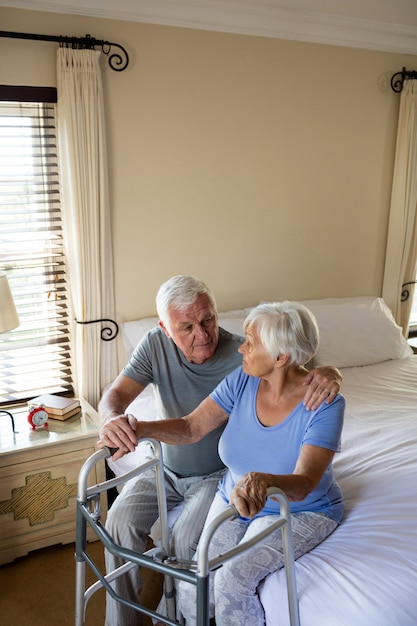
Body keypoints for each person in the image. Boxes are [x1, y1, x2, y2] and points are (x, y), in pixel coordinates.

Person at [98, 276, 342, 626]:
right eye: (187, 327)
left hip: (245, 488)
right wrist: (128, 427)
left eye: (208, 320)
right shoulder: (241, 374)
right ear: (166, 329)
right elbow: (190, 426)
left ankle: (183, 616)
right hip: (196, 477)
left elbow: (303, 479)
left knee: (211, 563)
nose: (204, 334)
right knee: (127, 526)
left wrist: (331, 372)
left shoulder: (281, 380)